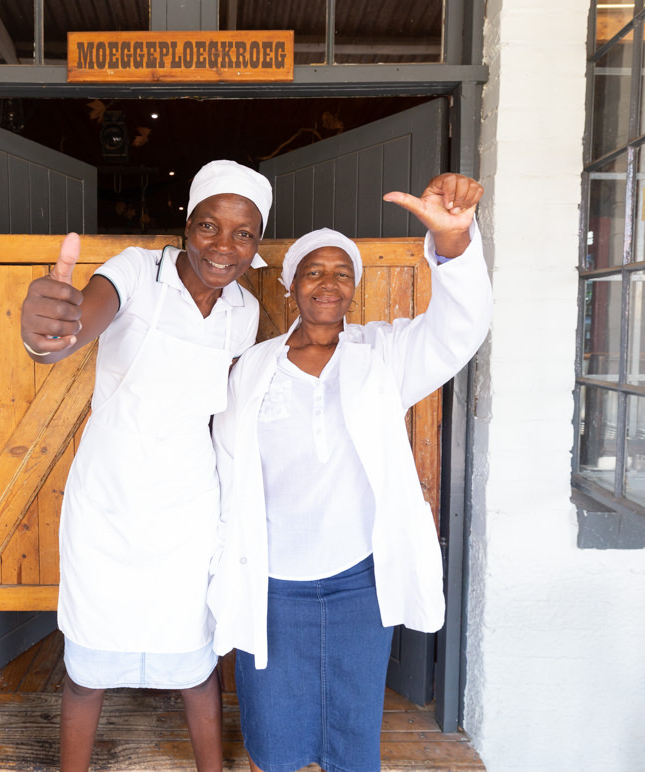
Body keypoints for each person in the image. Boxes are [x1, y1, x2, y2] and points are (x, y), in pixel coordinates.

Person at [207, 174, 493, 772]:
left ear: (354, 288)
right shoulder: (252, 369)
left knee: (353, 729)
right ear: (291, 286)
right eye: (314, 271)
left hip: (358, 578)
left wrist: (453, 241)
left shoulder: (384, 355)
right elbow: (224, 469)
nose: (328, 282)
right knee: (271, 730)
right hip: (271, 580)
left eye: (342, 273)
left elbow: (459, 330)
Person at [19, 160, 273, 772]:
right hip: (107, 499)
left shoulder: (243, 312)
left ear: (257, 244)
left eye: (243, 233)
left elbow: (228, 414)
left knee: (194, 661)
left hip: (188, 504)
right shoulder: (137, 271)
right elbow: (77, 322)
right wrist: (48, 332)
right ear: (187, 224)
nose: (223, 245)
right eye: (209, 225)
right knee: (87, 668)